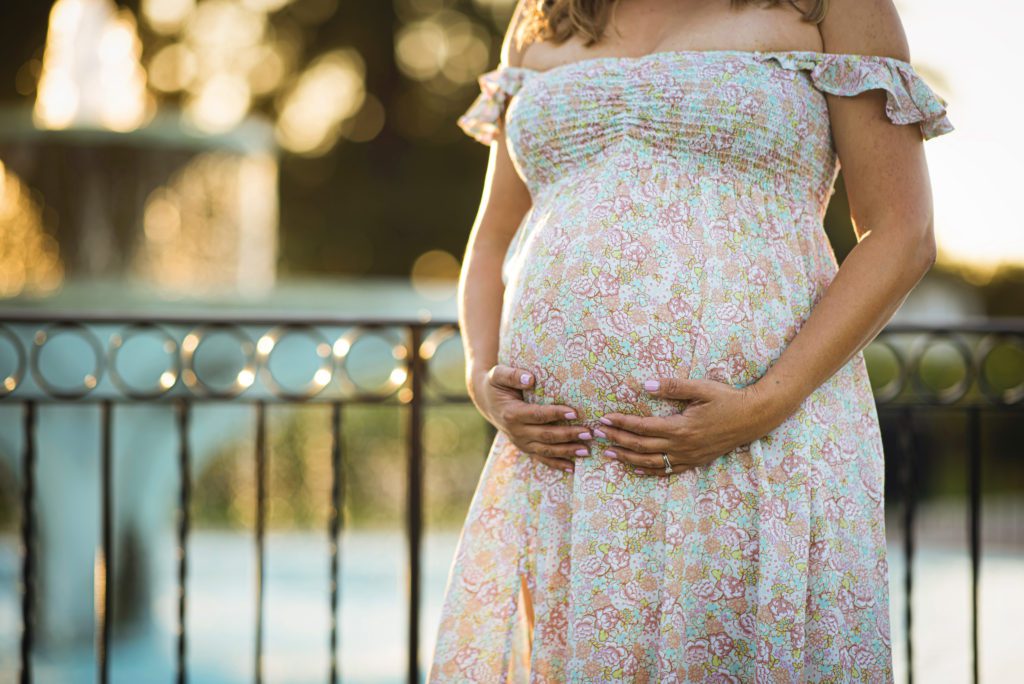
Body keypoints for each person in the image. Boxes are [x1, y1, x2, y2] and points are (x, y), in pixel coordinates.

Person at [427, 0, 953, 680]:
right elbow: (493, 235)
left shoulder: (830, 6)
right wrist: (481, 377)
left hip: (757, 444)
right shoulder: (545, 16)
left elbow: (901, 232)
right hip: (570, 471)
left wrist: (767, 401)